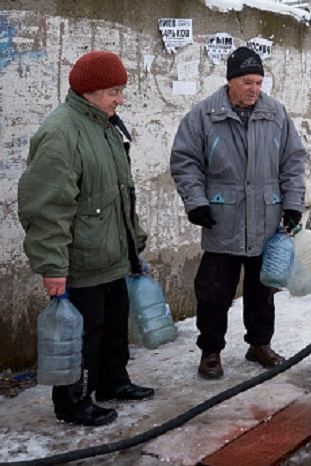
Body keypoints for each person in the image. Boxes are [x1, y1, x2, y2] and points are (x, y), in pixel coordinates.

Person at [17, 51, 154, 427]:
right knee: (83, 335)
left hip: (112, 253)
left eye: (121, 90)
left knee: (113, 327)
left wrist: (134, 243)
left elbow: (121, 194)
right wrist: (52, 266)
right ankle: (73, 402)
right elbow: (46, 207)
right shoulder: (62, 132)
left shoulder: (105, 125)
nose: (120, 98)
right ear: (90, 91)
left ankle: (112, 383)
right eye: (114, 91)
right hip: (81, 260)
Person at [170, 47, 306, 379]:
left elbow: (293, 163)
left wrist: (292, 205)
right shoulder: (204, 115)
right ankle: (211, 351)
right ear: (230, 80)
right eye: (247, 81)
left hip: (266, 219)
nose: (254, 89)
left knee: (263, 292)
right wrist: (196, 202)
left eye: (259, 82)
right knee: (214, 291)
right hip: (223, 221)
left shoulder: (275, 114)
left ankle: (259, 344)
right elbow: (185, 162)